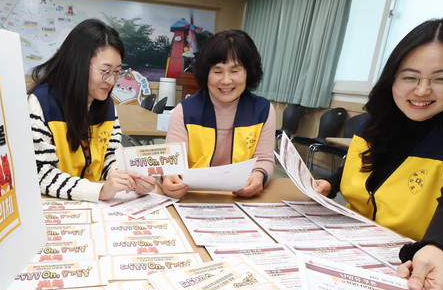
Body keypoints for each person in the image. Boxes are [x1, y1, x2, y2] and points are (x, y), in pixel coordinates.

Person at [314, 17, 443, 290]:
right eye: (409, 77)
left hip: (404, 259)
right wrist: (330, 183)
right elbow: (366, 168)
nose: (421, 90)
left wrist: (438, 248)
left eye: (441, 78)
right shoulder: (373, 121)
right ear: (392, 78)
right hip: (346, 239)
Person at [28, 19, 156, 201]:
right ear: (78, 64)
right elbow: (40, 172)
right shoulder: (40, 103)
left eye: (117, 72)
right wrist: (99, 191)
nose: (112, 81)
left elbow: (110, 156)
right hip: (54, 205)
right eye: (105, 71)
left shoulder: (106, 104)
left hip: (97, 206)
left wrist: (128, 179)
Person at [160, 29, 276, 199]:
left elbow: (264, 160)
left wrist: (259, 175)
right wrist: (169, 178)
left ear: (249, 72)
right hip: (193, 198)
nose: (226, 80)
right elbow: (171, 163)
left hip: (241, 198)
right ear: (206, 73)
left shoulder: (263, 110)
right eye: (217, 71)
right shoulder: (185, 110)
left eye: (235, 71)